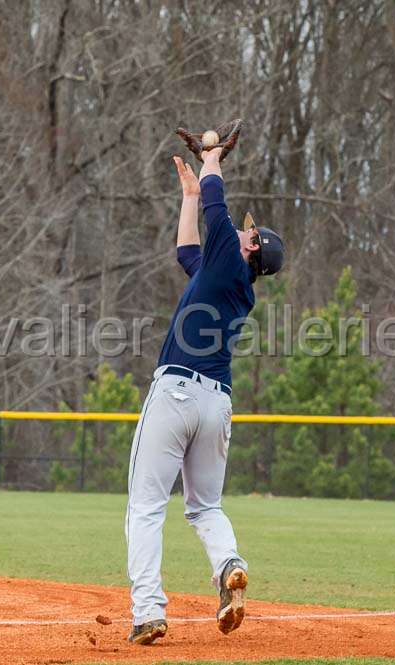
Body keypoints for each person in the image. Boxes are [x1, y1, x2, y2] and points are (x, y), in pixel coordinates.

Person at [124, 147, 285, 645]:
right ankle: (229, 565)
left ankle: (149, 610)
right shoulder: (229, 279)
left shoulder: (229, 261)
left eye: (249, 232)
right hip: (217, 403)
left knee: (147, 506)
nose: (241, 229)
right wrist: (190, 196)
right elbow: (185, 252)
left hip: (175, 391)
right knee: (204, 505)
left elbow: (219, 207)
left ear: (251, 249)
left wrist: (212, 159)